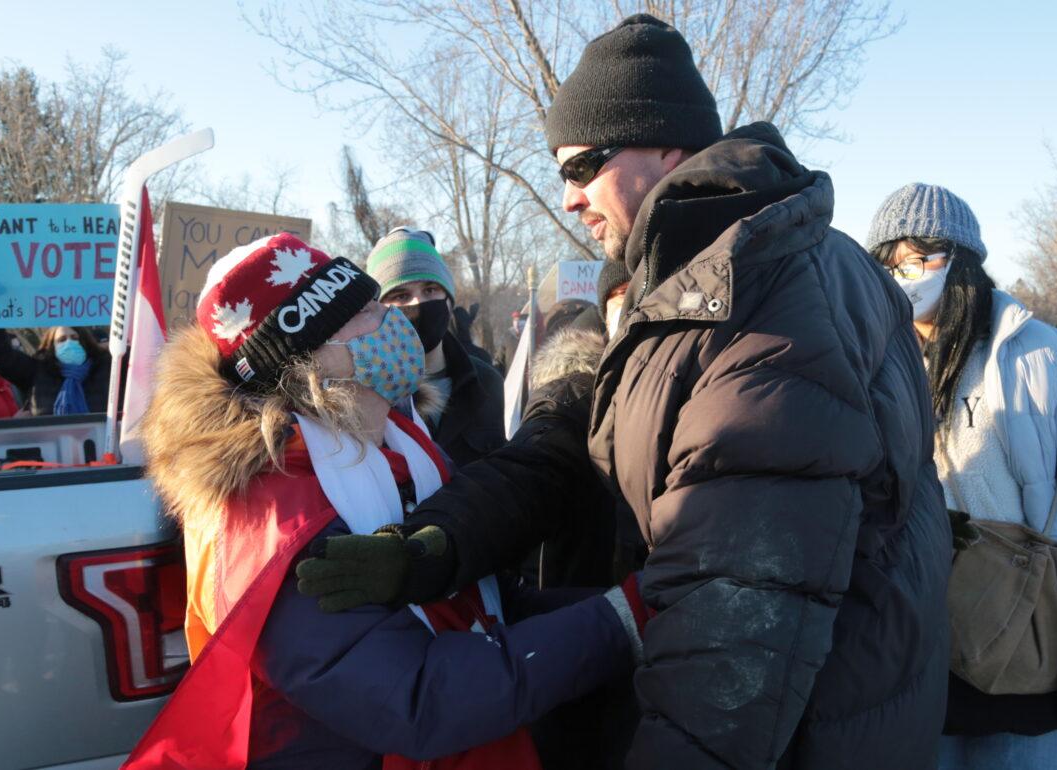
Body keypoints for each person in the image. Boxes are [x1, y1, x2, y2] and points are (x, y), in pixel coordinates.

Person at [305, 14, 951, 769]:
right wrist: (437, 545)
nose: (570, 197)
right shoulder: (696, 290)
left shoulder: (767, 305)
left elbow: (734, 619)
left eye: (583, 167)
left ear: (665, 145)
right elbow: (563, 452)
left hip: (804, 732)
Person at [125, 233, 650, 770]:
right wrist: (620, 621)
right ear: (310, 360)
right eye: (366, 312)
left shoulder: (400, 447)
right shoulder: (272, 518)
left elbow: (485, 609)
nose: (393, 320)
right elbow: (420, 699)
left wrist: (647, 606)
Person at [867, 183, 1057, 770]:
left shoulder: (1035, 353)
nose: (904, 276)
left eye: (919, 258)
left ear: (962, 260)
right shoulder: (875, 360)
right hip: (909, 644)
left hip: (1021, 636)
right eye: (888, 263)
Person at [367, 227, 506, 467]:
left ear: (449, 301)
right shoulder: (366, 391)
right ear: (379, 310)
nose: (418, 302)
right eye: (401, 296)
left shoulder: (487, 382)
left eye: (430, 290)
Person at [0, 317, 110, 415]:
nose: (69, 343)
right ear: (51, 347)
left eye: (74, 338)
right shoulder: (36, 371)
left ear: (84, 342)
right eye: (62, 340)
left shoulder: (105, 368)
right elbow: (0, 355)